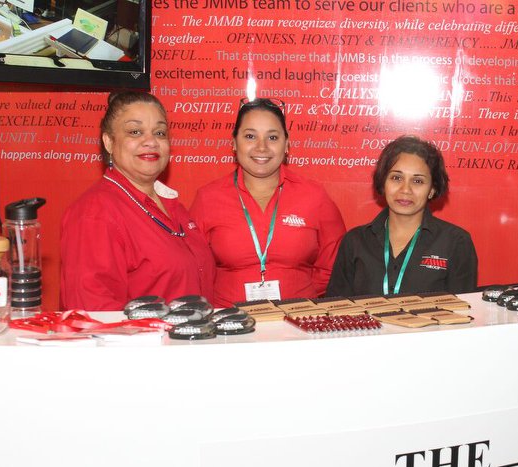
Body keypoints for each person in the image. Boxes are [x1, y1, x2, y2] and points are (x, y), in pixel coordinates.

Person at [60, 91, 215, 310]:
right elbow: (93, 312)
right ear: (109, 142)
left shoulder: (174, 207)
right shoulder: (95, 213)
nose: (151, 142)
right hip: (144, 334)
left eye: (160, 133)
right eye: (135, 132)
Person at [190, 98, 345, 306]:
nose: (261, 147)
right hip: (230, 318)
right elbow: (193, 267)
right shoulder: (208, 198)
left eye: (272, 137)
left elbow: (333, 264)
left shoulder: (314, 196)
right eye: (250, 136)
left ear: (287, 144)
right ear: (234, 143)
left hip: (297, 317)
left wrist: (298, 296)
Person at [326, 135, 478, 297]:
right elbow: (336, 306)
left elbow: (463, 308)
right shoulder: (355, 241)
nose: (405, 189)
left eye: (417, 181)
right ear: (383, 183)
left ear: (432, 190)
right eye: (396, 178)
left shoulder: (456, 242)